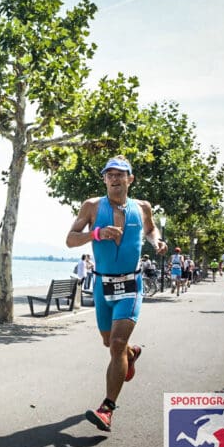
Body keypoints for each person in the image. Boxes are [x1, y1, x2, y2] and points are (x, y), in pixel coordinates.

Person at [66, 156, 167, 432]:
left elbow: (150, 229)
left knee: (117, 344)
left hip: (131, 286)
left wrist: (156, 241)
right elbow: (70, 239)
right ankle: (131, 355)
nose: (114, 178)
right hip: (103, 285)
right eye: (109, 174)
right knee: (109, 343)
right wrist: (96, 234)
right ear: (104, 179)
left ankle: (107, 408)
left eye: (120, 174)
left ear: (130, 179)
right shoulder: (92, 206)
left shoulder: (142, 207)